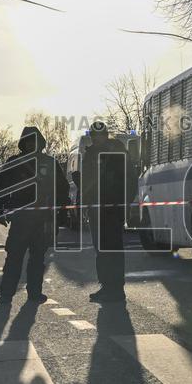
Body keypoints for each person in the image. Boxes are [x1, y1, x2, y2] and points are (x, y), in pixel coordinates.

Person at [0, 126, 70, 304]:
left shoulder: (49, 163)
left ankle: (34, 293)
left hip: (42, 219)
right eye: (28, 141)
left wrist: (59, 213)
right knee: (14, 257)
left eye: (34, 142)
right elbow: (1, 187)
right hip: (20, 218)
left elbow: (62, 189)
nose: (31, 145)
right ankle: (6, 294)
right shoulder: (15, 162)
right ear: (23, 143)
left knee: (37, 259)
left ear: (40, 143)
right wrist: (0, 209)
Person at [81, 121, 130, 301]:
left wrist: (124, 203)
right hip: (96, 209)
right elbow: (87, 183)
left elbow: (128, 178)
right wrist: (85, 205)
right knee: (101, 250)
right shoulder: (90, 154)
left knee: (113, 249)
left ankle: (116, 288)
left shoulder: (117, 151)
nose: (97, 139)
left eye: (100, 135)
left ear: (106, 135)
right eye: (94, 136)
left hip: (113, 208)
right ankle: (106, 286)